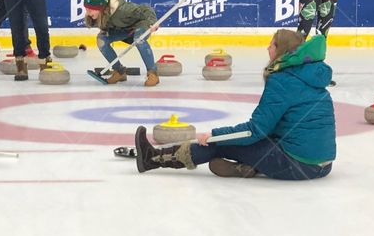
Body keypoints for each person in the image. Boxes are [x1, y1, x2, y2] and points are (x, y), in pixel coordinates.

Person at [134, 30, 336, 180]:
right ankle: (248, 167)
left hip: (298, 164)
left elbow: (254, 131)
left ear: (281, 50)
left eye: (272, 44)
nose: (268, 48)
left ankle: (153, 158)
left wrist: (214, 135)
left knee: (218, 144)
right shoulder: (310, 76)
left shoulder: (283, 80)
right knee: (251, 142)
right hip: (323, 165)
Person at [83, 0, 160, 86]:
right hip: (124, 30)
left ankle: (153, 73)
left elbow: (145, 8)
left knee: (139, 39)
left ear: (101, 8)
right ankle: (119, 72)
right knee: (101, 40)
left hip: (139, 26)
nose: (88, 13)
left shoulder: (123, 10)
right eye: (87, 9)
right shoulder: (100, 15)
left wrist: (152, 22)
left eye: (90, 9)